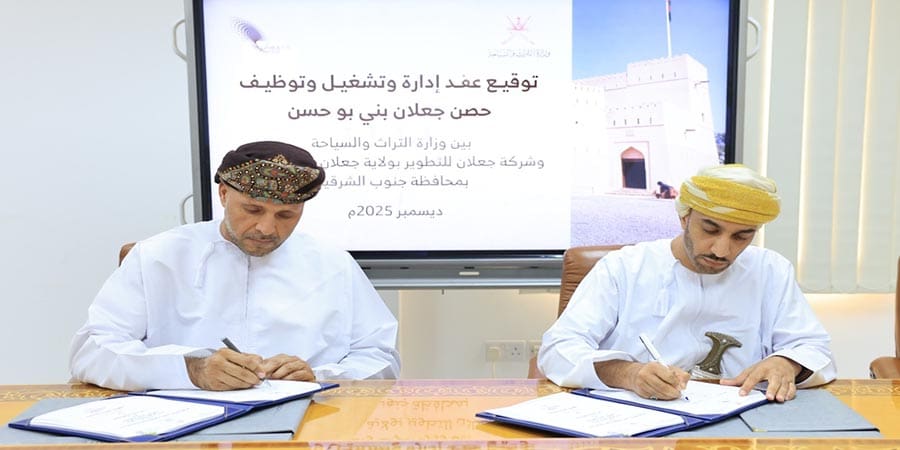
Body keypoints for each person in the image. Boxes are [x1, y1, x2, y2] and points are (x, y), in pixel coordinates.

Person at [70, 141, 400, 391]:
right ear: (224, 194)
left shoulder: (334, 264)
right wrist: (190, 370)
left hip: (306, 426)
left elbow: (380, 357)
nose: (267, 229)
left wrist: (320, 376)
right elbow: (91, 351)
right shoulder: (158, 256)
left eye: (286, 215)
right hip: (185, 428)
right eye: (253, 210)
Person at [538, 164, 835, 403]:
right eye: (710, 229)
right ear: (684, 217)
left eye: (741, 236)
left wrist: (787, 363)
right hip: (640, 418)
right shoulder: (624, 268)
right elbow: (558, 349)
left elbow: (813, 348)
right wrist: (629, 374)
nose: (722, 250)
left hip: (743, 419)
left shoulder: (771, 270)